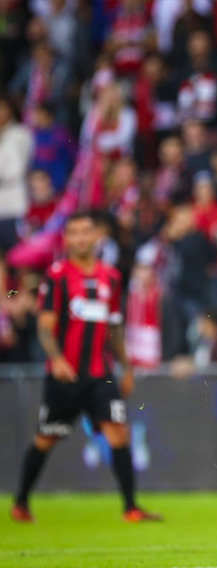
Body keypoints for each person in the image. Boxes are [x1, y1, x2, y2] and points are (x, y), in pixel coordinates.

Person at [10, 211, 160, 523]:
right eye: (74, 233)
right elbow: (45, 326)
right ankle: (21, 503)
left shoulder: (112, 277)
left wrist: (126, 367)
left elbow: (114, 327)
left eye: (85, 232)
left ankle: (131, 508)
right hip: (65, 376)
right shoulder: (57, 275)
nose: (80, 238)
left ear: (96, 236)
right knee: (46, 438)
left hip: (99, 375)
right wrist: (58, 359)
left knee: (118, 433)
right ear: (66, 239)